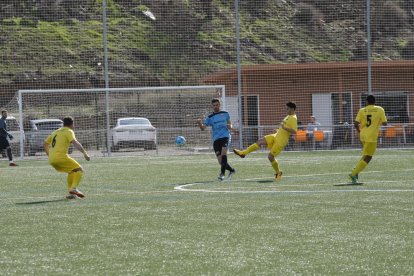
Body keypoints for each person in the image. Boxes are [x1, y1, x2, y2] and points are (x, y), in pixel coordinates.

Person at [233, 102, 297, 181]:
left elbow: (294, 131)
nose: (286, 110)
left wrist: (284, 128)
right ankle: (243, 153)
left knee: (270, 157)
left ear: (292, 109)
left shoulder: (293, 118)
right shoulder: (288, 116)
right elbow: (284, 128)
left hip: (281, 141)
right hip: (276, 136)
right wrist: (279, 130)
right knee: (259, 141)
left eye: (287, 108)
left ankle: (278, 172)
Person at [44, 117, 90, 199]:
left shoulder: (56, 132)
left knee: (72, 171)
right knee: (79, 170)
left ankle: (71, 194)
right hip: (60, 157)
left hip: (52, 159)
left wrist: (49, 154)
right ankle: (74, 188)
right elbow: (75, 143)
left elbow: (45, 143)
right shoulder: (69, 131)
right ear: (72, 124)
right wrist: (84, 153)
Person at [349, 95, 387, 184]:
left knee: (365, 155)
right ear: (375, 101)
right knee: (368, 157)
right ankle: (354, 173)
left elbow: (356, 123)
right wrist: (378, 121)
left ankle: (356, 171)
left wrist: (359, 131)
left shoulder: (362, 110)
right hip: (372, 137)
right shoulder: (380, 109)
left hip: (363, 135)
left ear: (366, 102)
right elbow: (385, 123)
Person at [197, 98, 236, 181]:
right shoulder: (210, 117)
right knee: (220, 162)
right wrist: (199, 123)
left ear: (220, 105)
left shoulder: (225, 114)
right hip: (216, 139)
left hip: (225, 136)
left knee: (224, 153)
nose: (215, 107)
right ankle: (232, 170)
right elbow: (203, 128)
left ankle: (222, 174)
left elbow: (230, 123)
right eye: (214, 105)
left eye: (217, 105)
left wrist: (230, 127)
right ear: (212, 106)